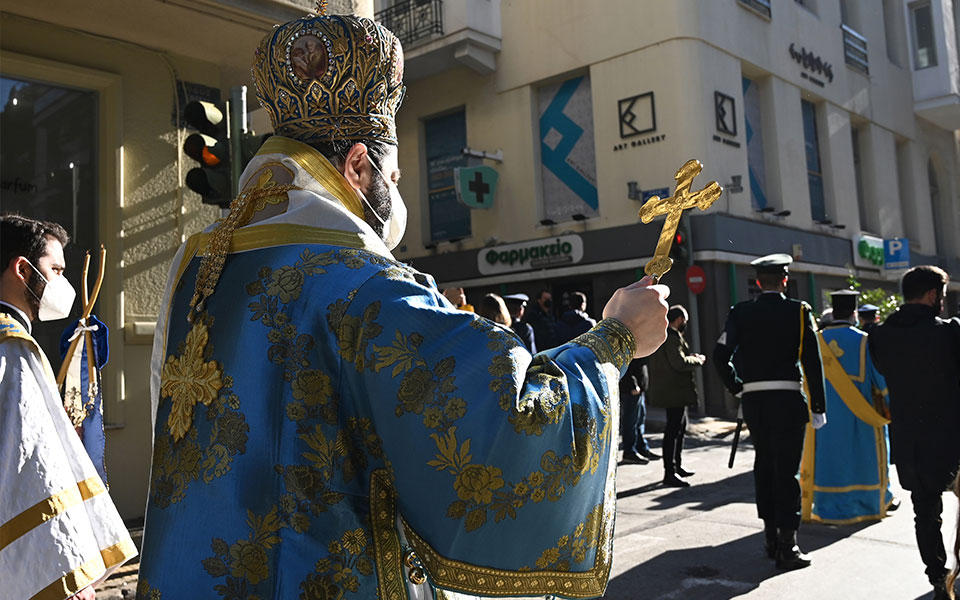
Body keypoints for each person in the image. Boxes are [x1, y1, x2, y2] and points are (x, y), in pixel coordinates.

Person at [135, 12, 671, 600]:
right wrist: (616, 337)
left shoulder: (195, 270)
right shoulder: (366, 286)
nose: (398, 187)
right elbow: (508, 423)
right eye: (394, 171)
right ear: (359, 166)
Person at [0, 214, 136, 600]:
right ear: (22, 269)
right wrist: (66, 570)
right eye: (56, 270)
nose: (62, 282)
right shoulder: (12, 347)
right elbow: (32, 467)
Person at [713, 253, 826, 570]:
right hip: (789, 401)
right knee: (787, 471)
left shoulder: (740, 312)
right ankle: (787, 546)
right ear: (785, 280)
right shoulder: (799, 310)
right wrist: (818, 405)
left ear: (758, 283)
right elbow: (812, 362)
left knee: (765, 465)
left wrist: (737, 386)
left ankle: (770, 537)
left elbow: (719, 355)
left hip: (756, 402)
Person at [869, 265, 960, 600]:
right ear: (933, 295)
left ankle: (938, 580)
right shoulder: (949, 332)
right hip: (953, 440)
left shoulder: (880, 334)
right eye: (944, 296)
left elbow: (881, 369)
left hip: (911, 443)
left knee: (925, 514)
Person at [800, 289, 894, 524]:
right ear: (854, 313)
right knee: (862, 460)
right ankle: (866, 504)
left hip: (823, 417)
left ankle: (825, 507)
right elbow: (880, 380)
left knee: (828, 461)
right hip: (860, 416)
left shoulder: (815, 340)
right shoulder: (864, 341)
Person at [648, 305, 704, 487]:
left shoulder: (666, 336)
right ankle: (669, 472)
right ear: (679, 319)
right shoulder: (671, 338)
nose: (685, 323)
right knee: (673, 431)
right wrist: (698, 360)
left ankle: (676, 466)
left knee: (680, 428)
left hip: (674, 391)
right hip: (674, 391)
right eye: (684, 320)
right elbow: (678, 363)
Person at [618, 356, 654, 464]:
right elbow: (625, 365)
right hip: (631, 389)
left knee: (639, 420)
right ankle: (630, 451)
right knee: (631, 421)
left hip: (638, 388)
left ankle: (641, 447)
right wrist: (632, 384)